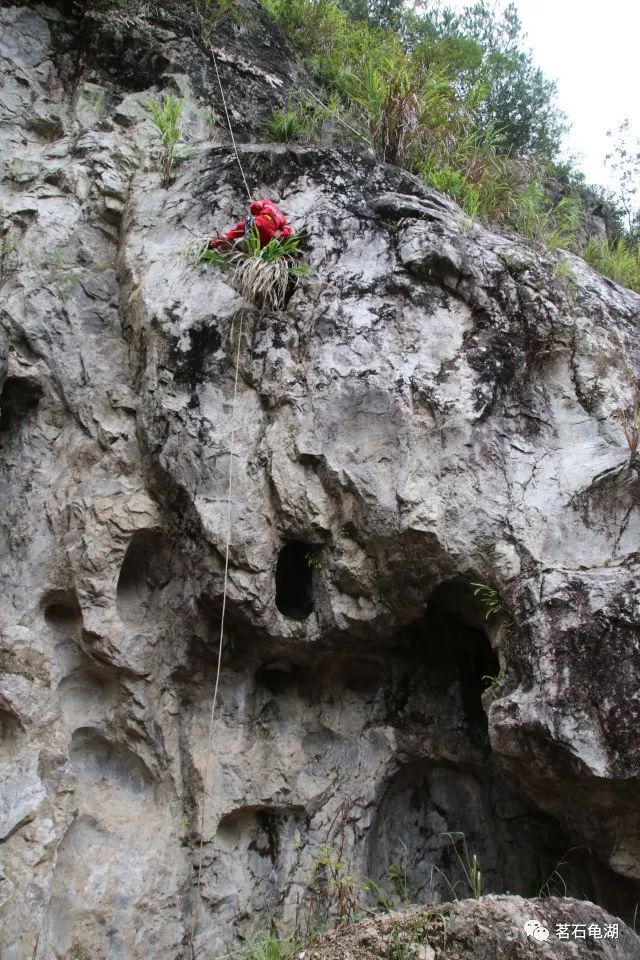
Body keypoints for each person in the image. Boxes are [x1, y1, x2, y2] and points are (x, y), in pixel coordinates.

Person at [209, 198, 293, 249]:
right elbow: (288, 230)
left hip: (258, 222)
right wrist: (280, 233)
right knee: (259, 247)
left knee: (238, 229)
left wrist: (254, 212)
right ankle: (252, 261)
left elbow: (256, 205)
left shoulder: (268, 202)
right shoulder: (282, 217)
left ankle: (214, 243)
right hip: (269, 233)